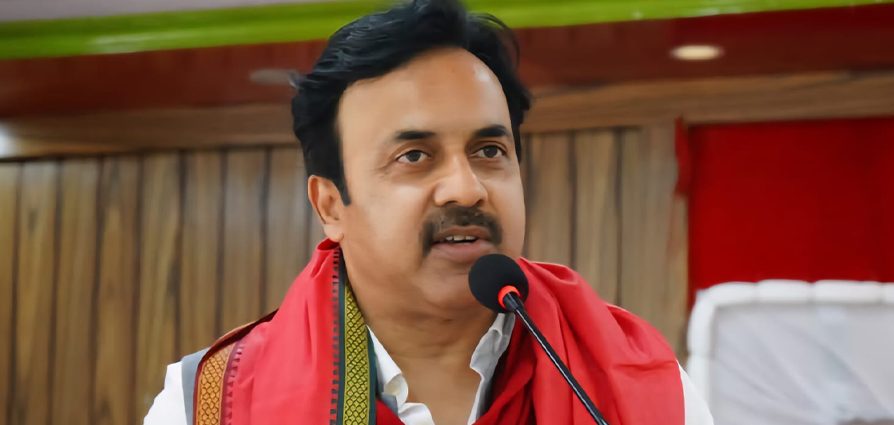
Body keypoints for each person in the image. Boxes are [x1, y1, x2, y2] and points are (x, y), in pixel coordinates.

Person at [145, 0, 714, 424]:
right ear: (330, 205)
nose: (465, 189)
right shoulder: (208, 403)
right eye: (414, 156)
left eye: (489, 151)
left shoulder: (637, 382)